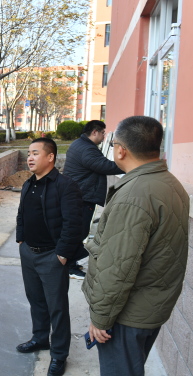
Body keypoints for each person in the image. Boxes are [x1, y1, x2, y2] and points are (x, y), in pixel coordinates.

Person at [83, 116, 189, 376]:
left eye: (113, 144)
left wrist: (100, 319)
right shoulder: (170, 183)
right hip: (149, 307)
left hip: (127, 315)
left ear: (121, 150)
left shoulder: (135, 195)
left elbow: (117, 267)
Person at [15, 137, 83, 376]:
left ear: (50, 157)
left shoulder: (65, 185)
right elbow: (21, 214)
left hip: (52, 257)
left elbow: (73, 224)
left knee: (57, 308)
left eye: (35, 153)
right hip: (29, 253)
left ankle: (59, 355)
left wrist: (62, 255)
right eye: (28, 153)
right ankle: (40, 338)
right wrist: (21, 240)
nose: (30, 158)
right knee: (36, 301)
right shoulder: (28, 184)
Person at [63, 120, 123, 279]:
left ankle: (70, 262)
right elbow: (104, 166)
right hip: (81, 197)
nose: (104, 136)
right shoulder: (87, 149)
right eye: (103, 133)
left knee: (76, 232)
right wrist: (130, 165)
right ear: (94, 132)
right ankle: (69, 267)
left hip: (77, 195)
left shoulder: (79, 144)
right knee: (78, 233)